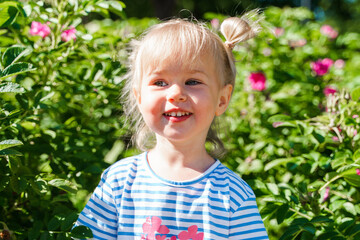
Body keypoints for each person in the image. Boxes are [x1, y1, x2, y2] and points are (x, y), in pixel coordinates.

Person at [74, 11, 269, 240]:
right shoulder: (119, 181)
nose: (176, 93)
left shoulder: (232, 194)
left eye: (193, 81)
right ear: (139, 97)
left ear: (222, 99)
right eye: (160, 82)